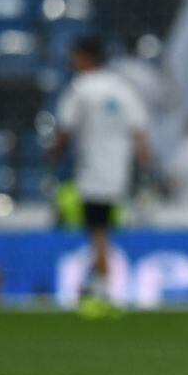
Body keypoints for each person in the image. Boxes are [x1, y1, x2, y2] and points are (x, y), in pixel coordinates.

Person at [51, 35, 150, 317]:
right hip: (119, 171)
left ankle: (104, 290)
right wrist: (143, 164)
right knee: (101, 230)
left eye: (75, 56)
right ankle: (93, 285)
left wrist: (54, 153)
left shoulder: (81, 88)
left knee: (97, 232)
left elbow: (65, 127)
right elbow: (140, 129)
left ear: (85, 57)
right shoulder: (122, 88)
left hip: (92, 170)